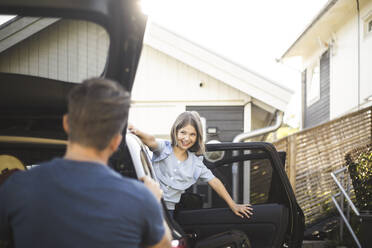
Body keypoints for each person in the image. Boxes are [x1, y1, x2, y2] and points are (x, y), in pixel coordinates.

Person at [0, 78, 171, 248]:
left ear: (66, 124)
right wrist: (154, 201)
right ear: (116, 141)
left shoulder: (17, 186)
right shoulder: (141, 199)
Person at [128, 111, 253, 218]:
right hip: (146, 203)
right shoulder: (164, 148)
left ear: (197, 137)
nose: (187, 138)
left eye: (192, 134)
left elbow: (215, 182)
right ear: (176, 131)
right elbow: (151, 140)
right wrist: (136, 131)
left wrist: (233, 205)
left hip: (168, 211)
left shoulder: (195, 164)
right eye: (183, 132)